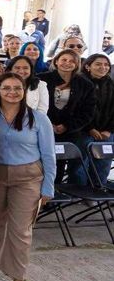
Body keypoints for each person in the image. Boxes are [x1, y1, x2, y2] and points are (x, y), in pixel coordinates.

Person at [0, 73, 56, 281]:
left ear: (24, 92)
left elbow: (49, 155)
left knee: (21, 231)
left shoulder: (39, 119)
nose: (12, 92)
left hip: (28, 178)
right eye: (6, 88)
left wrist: (48, 186)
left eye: (17, 88)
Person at [40, 49, 96, 184]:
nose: (67, 63)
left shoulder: (85, 84)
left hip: (70, 132)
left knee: (59, 165)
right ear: (56, 61)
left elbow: (87, 111)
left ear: (77, 64)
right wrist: (49, 125)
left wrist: (66, 126)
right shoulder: (41, 78)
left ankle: (55, 196)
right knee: (41, 164)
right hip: (43, 129)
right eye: (64, 60)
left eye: (72, 61)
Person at [82, 54, 114, 163]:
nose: (103, 67)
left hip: (107, 132)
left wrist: (109, 130)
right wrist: (90, 128)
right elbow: (77, 109)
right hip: (84, 131)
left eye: (106, 65)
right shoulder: (79, 82)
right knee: (80, 167)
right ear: (87, 66)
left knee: (103, 165)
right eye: (98, 64)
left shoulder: (111, 84)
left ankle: (100, 181)